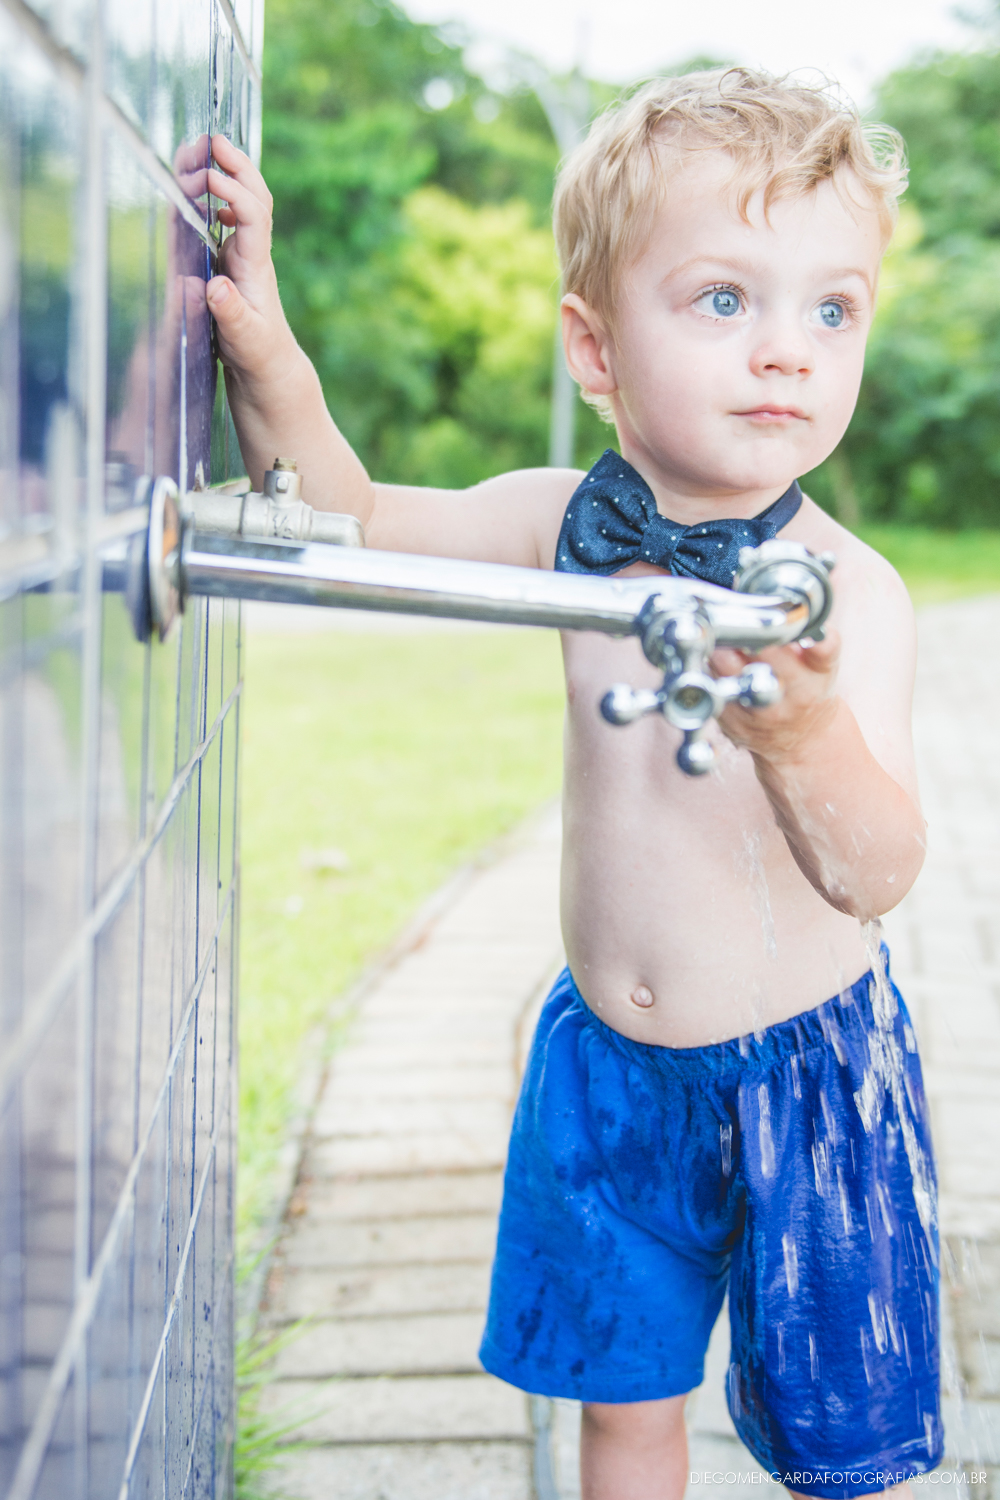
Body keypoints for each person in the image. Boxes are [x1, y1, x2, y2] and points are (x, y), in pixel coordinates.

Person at [204, 67, 940, 1500]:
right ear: (595, 352)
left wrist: (802, 741)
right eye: (726, 300)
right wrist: (265, 343)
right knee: (620, 1407)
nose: (788, 350)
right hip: (606, 1072)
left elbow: (879, 869)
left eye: (832, 308)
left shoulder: (859, 592)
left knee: (843, 1446)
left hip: (807, 1079)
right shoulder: (568, 527)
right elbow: (349, 530)